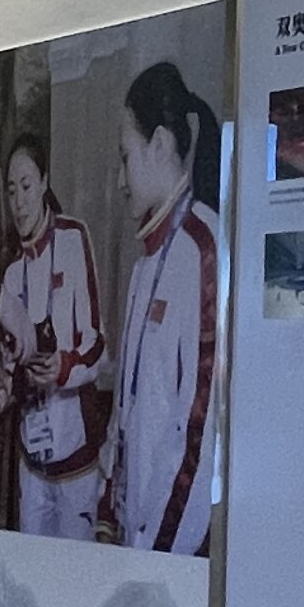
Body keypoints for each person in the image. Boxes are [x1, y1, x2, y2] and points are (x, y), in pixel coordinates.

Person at [98, 63, 221, 554]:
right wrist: (109, 510)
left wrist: (158, 559)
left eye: (125, 157)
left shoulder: (202, 249)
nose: (120, 179)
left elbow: (199, 431)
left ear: (161, 145)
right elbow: (127, 409)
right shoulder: (146, 262)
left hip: (173, 550)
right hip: (137, 537)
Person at [0, 136, 106, 540]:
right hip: (31, 461)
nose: (18, 202)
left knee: (74, 567)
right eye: (11, 190)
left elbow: (97, 344)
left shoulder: (73, 238)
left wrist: (63, 367)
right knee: (31, 567)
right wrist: (3, 387)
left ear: (43, 182)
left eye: (26, 186)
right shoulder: (11, 274)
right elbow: (9, 363)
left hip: (76, 457)